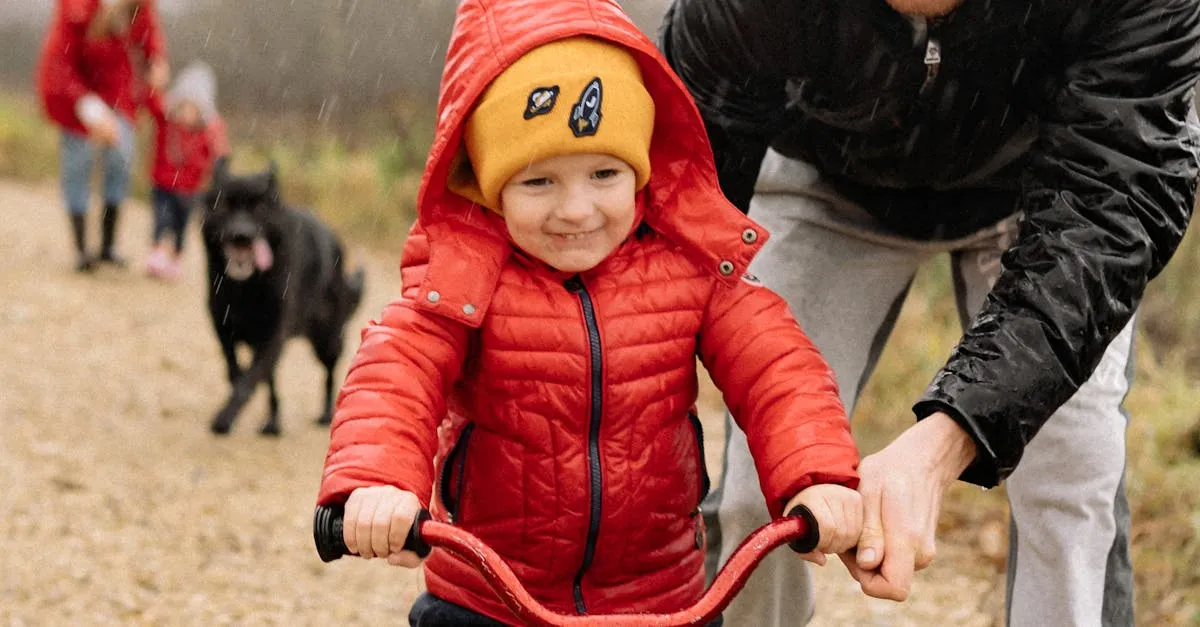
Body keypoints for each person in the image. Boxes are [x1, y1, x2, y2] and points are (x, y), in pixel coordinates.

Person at [315, 0, 864, 624]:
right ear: (488, 184)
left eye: (604, 173)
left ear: (642, 170)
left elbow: (777, 367)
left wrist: (815, 474)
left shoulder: (687, 262)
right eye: (538, 182)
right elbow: (398, 370)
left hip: (660, 598)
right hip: (491, 596)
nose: (576, 210)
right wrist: (379, 481)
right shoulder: (466, 273)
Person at [659, 0, 1200, 625]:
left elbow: (1112, 207)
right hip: (828, 174)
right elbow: (687, 187)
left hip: (1050, 192)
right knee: (762, 491)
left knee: (1073, 481)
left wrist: (946, 442)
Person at [36, 0, 170, 272]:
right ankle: (82, 249)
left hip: (119, 96)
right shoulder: (74, 9)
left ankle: (108, 246)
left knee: (120, 161)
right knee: (78, 163)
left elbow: (150, 41)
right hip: (77, 96)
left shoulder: (140, 8)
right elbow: (59, 64)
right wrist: (89, 107)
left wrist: (157, 62)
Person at [144, 61, 229, 281]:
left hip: (188, 190)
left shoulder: (206, 133)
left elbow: (218, 152)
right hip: (162, 184)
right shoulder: (167, 123)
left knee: (181, 226)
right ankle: (157, 253)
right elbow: (153, 103)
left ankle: (175, 258)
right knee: (161, 220)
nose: (186, 113)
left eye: (193, 108)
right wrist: (155, 83)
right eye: (183, 106)